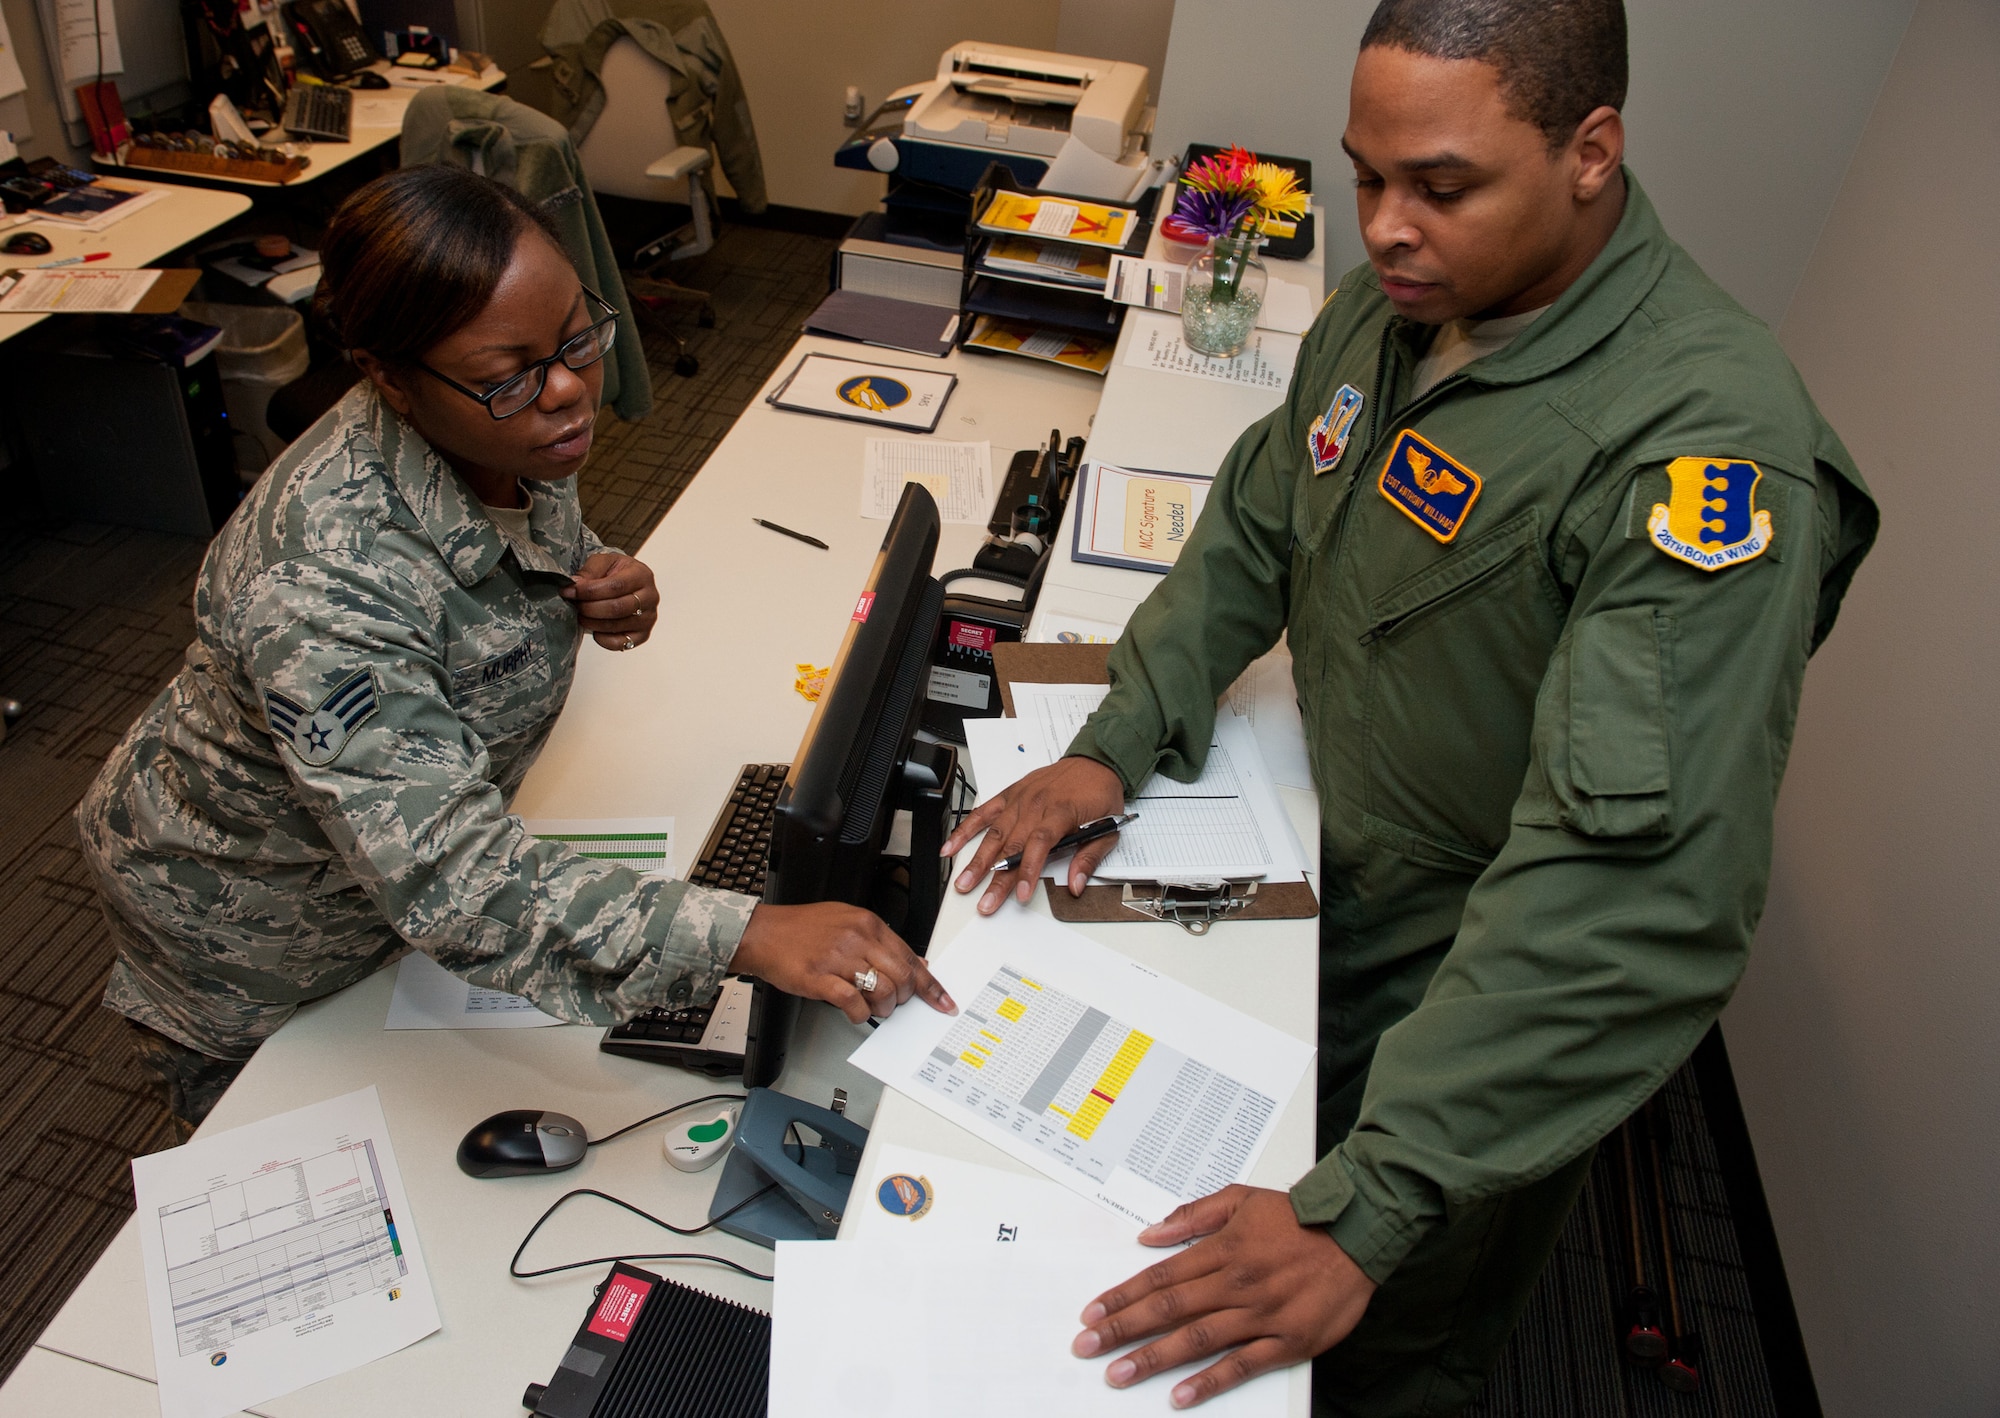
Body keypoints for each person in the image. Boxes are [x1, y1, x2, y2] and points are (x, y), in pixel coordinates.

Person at [944, 1, 1878, 1412]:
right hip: (1318, 882)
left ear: (1590, 152)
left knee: (1367, 1350)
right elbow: (1263, 515)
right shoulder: (1409, 304)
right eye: (1366, 175)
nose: (1384, 226)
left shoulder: (1701, 452)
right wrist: (1123, 731)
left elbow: (1634, 895)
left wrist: (1372, 1202)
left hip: (1472, 998)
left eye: (1440, 185)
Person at [79, 164, 952, 1135]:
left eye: (576, 339)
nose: (571, 392)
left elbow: (513, 550)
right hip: (258, 917)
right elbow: (454, 881)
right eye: (514, 375)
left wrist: (592, 577)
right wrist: (742, 930)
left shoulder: (508, 425)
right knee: (279, 1161)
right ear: (388, 377)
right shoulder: (320, 587)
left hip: (394, 858)